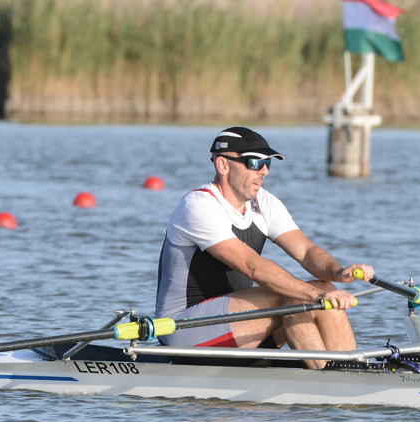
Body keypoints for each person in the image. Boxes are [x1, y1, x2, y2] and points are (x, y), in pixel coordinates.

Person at [155, 126, 372, 369]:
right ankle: (331, 379)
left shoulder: (265, 203)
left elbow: (307, 251)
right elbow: (252, 267)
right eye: (254, 163)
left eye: (267, 163)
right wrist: (315, 295)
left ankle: (348, 370)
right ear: (223, 165)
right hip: (184, 330)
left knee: (323, 287)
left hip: (241, 322)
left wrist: (336, 272)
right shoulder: (198, 206)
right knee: (300, 293)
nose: (265, 171)